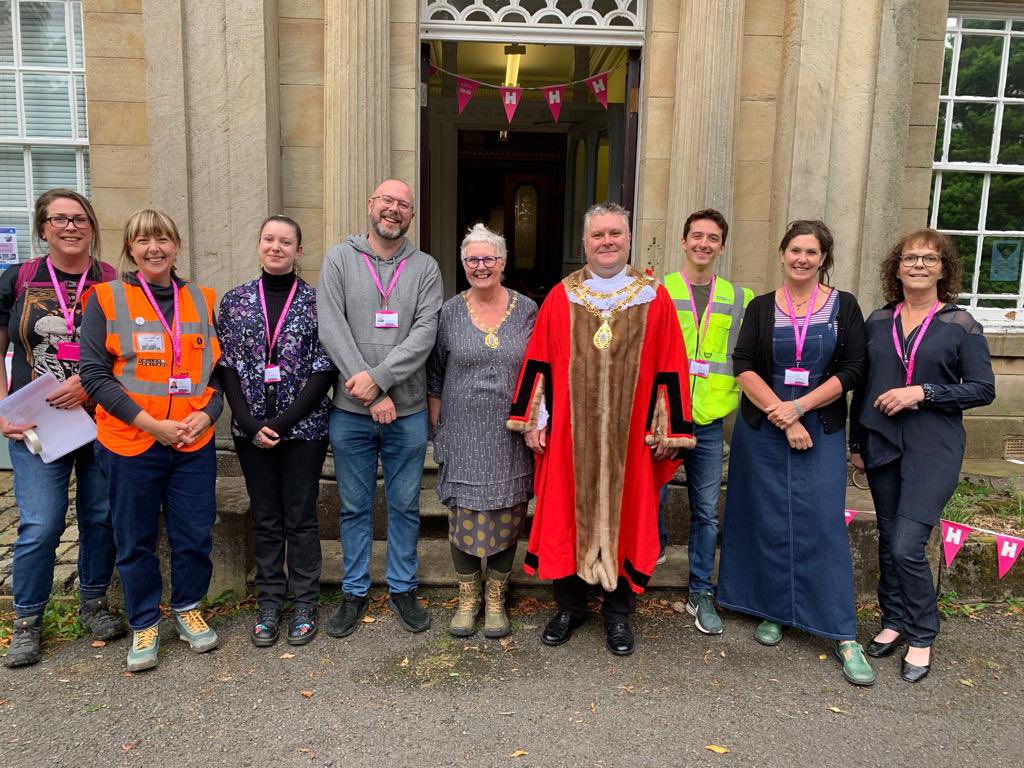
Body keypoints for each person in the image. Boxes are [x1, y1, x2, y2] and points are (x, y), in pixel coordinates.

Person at [507, 202, 695, 657]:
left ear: (628, 239)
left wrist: (667, 427)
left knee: (630, 513)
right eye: (597, 235)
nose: (606, 242)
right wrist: (534, 417)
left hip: (630, 439)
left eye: (614, 233)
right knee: (565, 513)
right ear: (584, 243)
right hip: (572, 434)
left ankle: (617, 614)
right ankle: (569, 607)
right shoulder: (562, 295)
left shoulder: (654, 296)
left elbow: (672, 362)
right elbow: (539, 359)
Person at [716, 220, 875, 686]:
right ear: (782, 254)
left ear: (824, 258)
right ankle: (773, 610)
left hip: (819, 425)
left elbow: (853, 368)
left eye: (812, 252)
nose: (802, 258)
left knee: (821, 525)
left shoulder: (844, 307)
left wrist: (800, 409)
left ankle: (842, 632)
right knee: (765, 517)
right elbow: (742, 365)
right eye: (795, 250)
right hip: (763, 427)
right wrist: (782, 416)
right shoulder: (761, 307)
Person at [80, 209, 223, 672]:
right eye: (143, 241)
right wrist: (150, 422)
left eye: (162, 239)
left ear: (177, 245)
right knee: (134, 538)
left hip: (190, 443)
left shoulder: (201, 299)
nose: (154, 248)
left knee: (194, 535)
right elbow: (95, 376)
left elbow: (218, 375)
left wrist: (206, 415)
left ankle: (187, 607)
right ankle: (144, 620)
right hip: (130, 441)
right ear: (130, 249)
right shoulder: (105, 299)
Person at [850, 229, 994, 683]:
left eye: (929, 259)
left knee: (906, 545)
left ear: (943, 269)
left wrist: (923, 391)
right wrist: (857, 444)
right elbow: (864, 387)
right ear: (896, 267)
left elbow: (983, 389)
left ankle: (922, 633)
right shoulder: (877, 320)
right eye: (910, 258)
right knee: (890, 538)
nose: (918, 265)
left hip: (934, 447)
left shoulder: (960, 324)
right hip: (881, 443)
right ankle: (893, 621)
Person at [0, 189, 121, 667]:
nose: (70, 228)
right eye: (59, 220)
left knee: (99, 516)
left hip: (101, 419)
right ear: (43, 227)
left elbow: (126, 355)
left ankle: (93, 602)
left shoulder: (113, 281)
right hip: (36, 422)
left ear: (92, 226)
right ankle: (28, 620)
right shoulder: (19, 280)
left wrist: (90, 387)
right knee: (41, 522)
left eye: (80, 219)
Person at [317, 179, 443, 638]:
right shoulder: (338, 260)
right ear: (371, 205)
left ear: (411, 214)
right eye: (387, 201)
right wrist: (371, 391)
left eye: (403, 205)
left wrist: (381, 380)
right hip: (351, 413)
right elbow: (332, 329)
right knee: (353, 506)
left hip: (406, 413)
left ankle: (402, 587)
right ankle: (353, 591)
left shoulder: (425, 268)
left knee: (405, 504)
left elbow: (424, 334)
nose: (394, 210)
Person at [218, 215, 335, 647]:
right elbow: (226, 366)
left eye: (286, 241)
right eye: (269, 239)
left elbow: (324, 370)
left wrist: (283, 423)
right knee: (266, 517)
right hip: (250, 430)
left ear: (299, 251)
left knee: (300, 515)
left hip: (303, 429)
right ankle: (270, 599)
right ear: (259, 244)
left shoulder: (318, 302)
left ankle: (304, 601)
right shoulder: (234, 302)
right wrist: (250, 424)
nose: (276, 247)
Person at [427, 224, 537, 638]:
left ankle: (495, 598)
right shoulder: (449, 312)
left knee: (507, 515)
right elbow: (435, 376)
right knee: (463, 517)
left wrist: (535, 422)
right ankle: (467, 596)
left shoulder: (528, 310)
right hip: (462, 432)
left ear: (503, 263)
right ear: (463, 264)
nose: (481, 266)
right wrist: (440, 430)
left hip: (509, 434)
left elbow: (540, 372)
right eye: (472, 259)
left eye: (489, 258)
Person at [661, 209, 753, 635]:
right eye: (696, 236)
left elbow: (746, 358)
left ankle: (700, 590)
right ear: (683, 242)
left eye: (712, 238)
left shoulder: (739, 298)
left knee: (706, 512)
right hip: (663, 415)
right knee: (650, 497)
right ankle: (647, 561)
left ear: (721, 246)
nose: (703, 244)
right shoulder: (659, 290)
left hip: (710, 420)